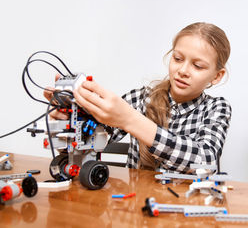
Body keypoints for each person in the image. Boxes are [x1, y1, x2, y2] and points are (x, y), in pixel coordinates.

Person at [47, 22, 232, 172]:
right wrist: (73, 118)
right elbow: (91, 141)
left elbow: (206, 160)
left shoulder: (216, 108)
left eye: (198, 66)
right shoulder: (140, 98)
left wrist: (130, 120)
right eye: (177, 58)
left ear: (217, 76)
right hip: (137, 209)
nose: (183, 71)